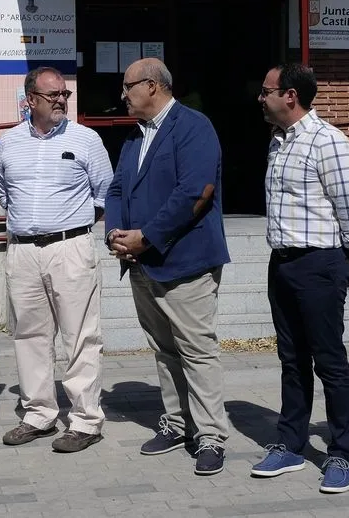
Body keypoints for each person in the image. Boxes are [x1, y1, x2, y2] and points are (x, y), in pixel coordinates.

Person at [105, 58, 231, 476]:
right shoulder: (134, 138)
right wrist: (115, 233)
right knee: (164, 349)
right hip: (142, 262)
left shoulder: (194, 126)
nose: (122, 95)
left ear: (153, 86)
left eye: (128, 87)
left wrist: (147, 236)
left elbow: (195, 192)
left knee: (197, 350)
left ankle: (211, 435)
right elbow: (119, 187)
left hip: (185, 262)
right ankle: (178, 423)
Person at [249, 63, 349, 493]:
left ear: (290, 96)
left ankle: (342, 454)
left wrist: (347, 260)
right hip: (281, 264)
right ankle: (291, 444)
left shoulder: (328, 142)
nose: (260, 98)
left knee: (329, 361)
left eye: (266, 91)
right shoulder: (278, 141)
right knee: (291, 359)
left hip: (319, 264)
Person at [0, 66, 113, 453]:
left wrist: (69, 228)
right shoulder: (9, 143)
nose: (62, 100)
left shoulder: (86, 139)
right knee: (29, 335)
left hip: (71, 247)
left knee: (80, 336)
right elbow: (3, 194)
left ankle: (85, 420)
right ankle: (39, 414)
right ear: (30, 101)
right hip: (23, 250)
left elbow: (104, 194)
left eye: (64, 94)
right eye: (52, 95)